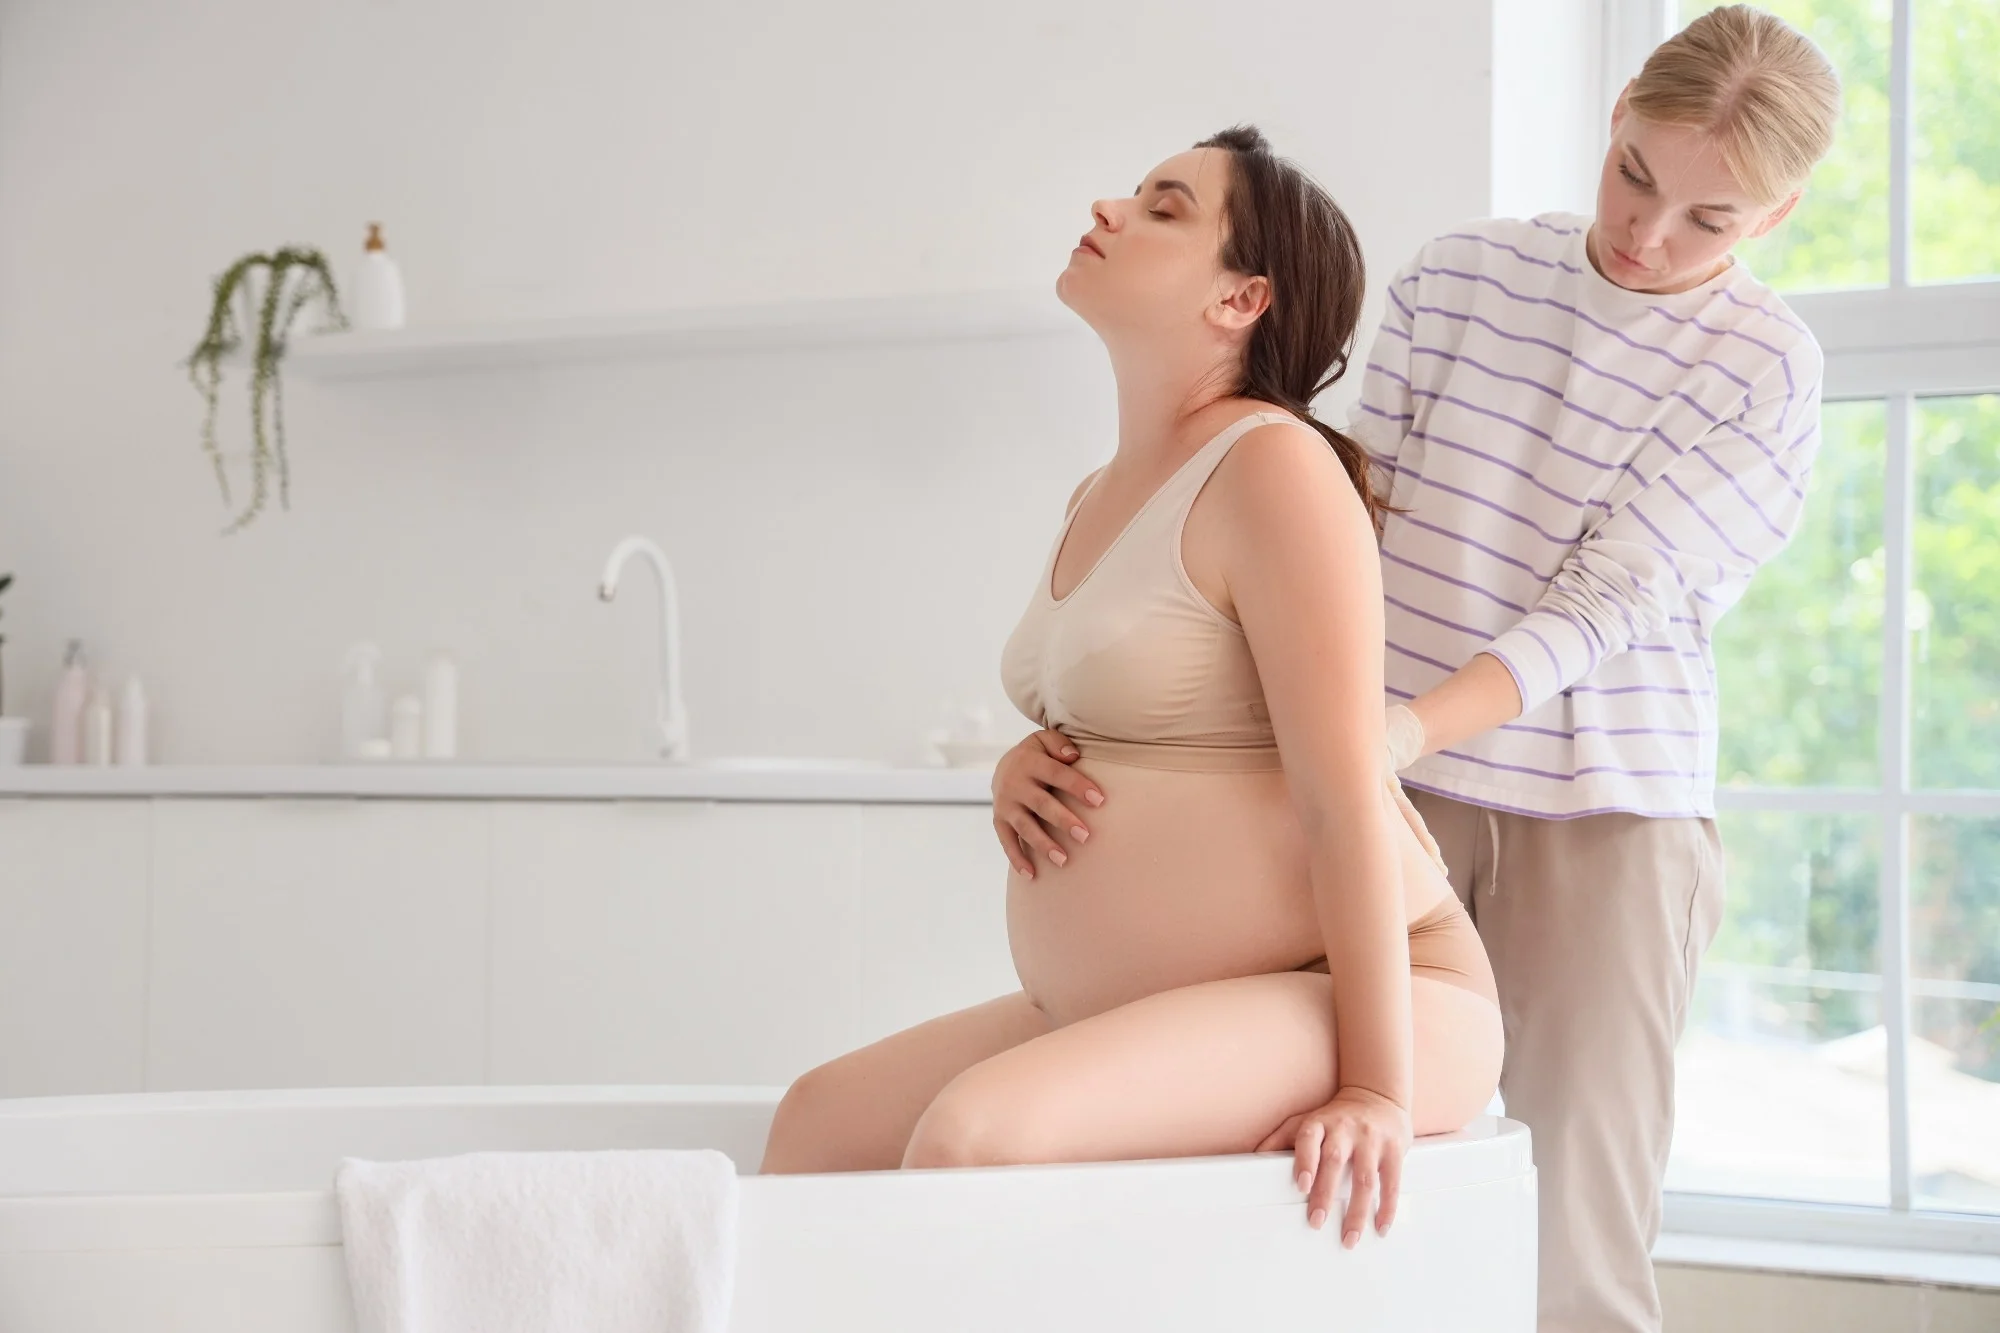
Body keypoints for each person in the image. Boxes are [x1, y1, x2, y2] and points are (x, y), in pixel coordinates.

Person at [1001, 9, 1840, 1330]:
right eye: (1635, 176)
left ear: (1775, 217)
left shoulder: (1765, 369)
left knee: (1574, 1234)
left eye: (1708, 221)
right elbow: (1351, 512)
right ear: (1617, 110)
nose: (1648, 235)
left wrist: (1392, 735)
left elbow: (1606, 604)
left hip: (1602, 814)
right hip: (1388, 779)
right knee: (1326, 1187)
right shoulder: (1463, 277)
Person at [761, 126, 1503, 1248]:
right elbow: (1140, 714)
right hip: (1144, 1003)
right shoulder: (1097, 491)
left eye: (1163, 208)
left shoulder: (1272, 465)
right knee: (819, 1123)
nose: (1108, 209)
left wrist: (1375, 1091)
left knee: (972, 1136)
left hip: (1358, 990)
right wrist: (1023, 762)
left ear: (1239, 298)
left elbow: (1343, 790)